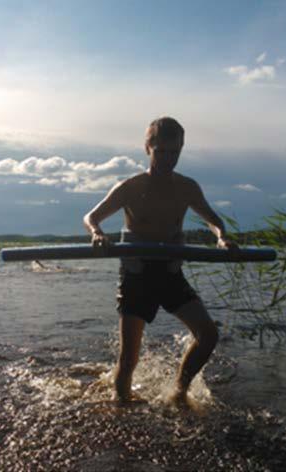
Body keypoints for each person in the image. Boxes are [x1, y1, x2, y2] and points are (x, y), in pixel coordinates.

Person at [83, 116, 237, 405]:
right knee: (129, 359)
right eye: (161, 151)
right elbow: (91, 217)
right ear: (148, 148)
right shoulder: (129, 187)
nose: (168, 158)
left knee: (208, 336)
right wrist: (97, 233)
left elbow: (214, 220)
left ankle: (178, 392)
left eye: (174, 152)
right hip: (136, 274)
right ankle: (121, 406)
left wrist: (221, 237)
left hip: (169, 273)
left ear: (181, 149)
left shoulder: (188, 187)